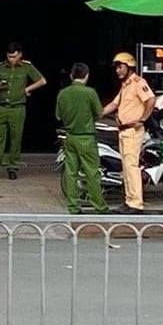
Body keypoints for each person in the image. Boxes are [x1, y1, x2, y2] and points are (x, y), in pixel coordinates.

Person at [101, 52, 156, 215]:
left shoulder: (139, 82)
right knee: (126, 167)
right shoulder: (126, 85)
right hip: (124, 131)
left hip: (133, 130)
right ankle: (129, 200)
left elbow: (150, 100)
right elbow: (114, 104)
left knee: (131, 167)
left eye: (120, 67)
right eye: (117, 67)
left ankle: (136, 203)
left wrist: (143, 119)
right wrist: (98, 113)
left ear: (129, 66)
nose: (118, 70)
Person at [0, 42, 46, 181]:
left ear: (20, 54)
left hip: (17, 108)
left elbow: (42, 80)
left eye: (14, 56)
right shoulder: (1, 67)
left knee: (15, 139)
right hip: (2, 107)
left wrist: (27, 89)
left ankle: (12, 168)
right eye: (9, 56)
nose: (11, 59)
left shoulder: (26, 67)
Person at [56, 63, 109, 215]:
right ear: (87, 76)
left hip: (69, 136)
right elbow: (99, 113)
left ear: (71, 76)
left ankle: (73, 206)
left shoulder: (63, 93)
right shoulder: (90, 93)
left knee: (71, 172)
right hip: (86, 137)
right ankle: (99, 206)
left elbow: (58, 115)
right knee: (92, 173)